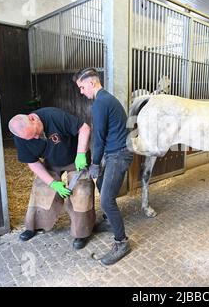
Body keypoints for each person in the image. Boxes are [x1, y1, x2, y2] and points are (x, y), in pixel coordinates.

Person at [8, 107, 95, 249]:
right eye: (31, 138)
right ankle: (34, 225)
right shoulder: (22, 137)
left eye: (36, 133)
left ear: (33, 118)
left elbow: (84, 128)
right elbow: (33, 163)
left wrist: (81, 154)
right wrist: (53, 183)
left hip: (75, 158)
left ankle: (81, 232)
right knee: (41, 187)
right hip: (51, 162)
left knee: (81, 191)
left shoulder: (53, 116)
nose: (36, 138)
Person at [73, 68, 134, 265]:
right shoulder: (106, 99)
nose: (82, 92)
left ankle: (122, 242)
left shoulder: (100, 103)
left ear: (92, 83)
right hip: (114, 151)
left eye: (82, 87)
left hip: (119, 154)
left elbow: (98, 138)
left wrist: (95, 163)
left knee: (107, 200)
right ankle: (109, 221)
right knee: (101, 184)